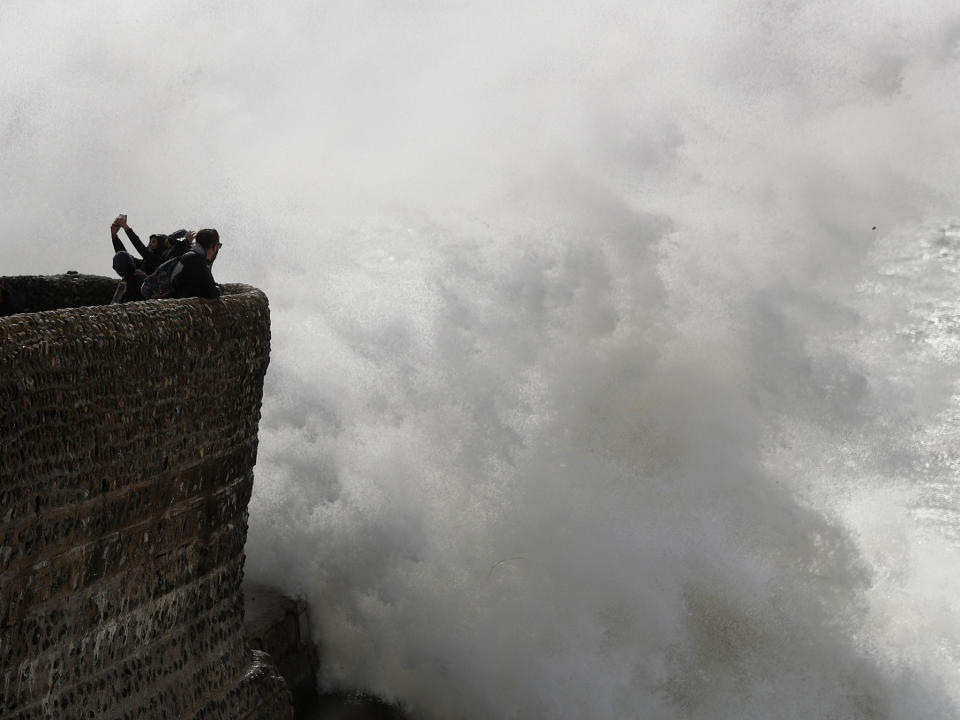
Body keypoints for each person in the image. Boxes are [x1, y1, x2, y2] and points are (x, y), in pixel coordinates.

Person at [171, 228, 221, 299]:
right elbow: (211, 293)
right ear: (214, 247)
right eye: (218, 246)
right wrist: (218, 290)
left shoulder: (190, 254)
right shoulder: (196, 260)